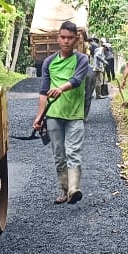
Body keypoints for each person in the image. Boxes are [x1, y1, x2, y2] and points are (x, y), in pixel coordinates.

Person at [34, 20, 91, 204]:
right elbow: (43, 91)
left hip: (74, 114)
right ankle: (64, 189)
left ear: (76, 40)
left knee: (73, 151)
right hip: (53, 115)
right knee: (59, 154)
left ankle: (74, 189)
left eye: (69, 38)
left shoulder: (82, 59)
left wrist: (61, 89)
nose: (66, 41)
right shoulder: (49, 62)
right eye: (63, 37)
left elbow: (76, 80)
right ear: (58, 38)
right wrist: (39, 117)